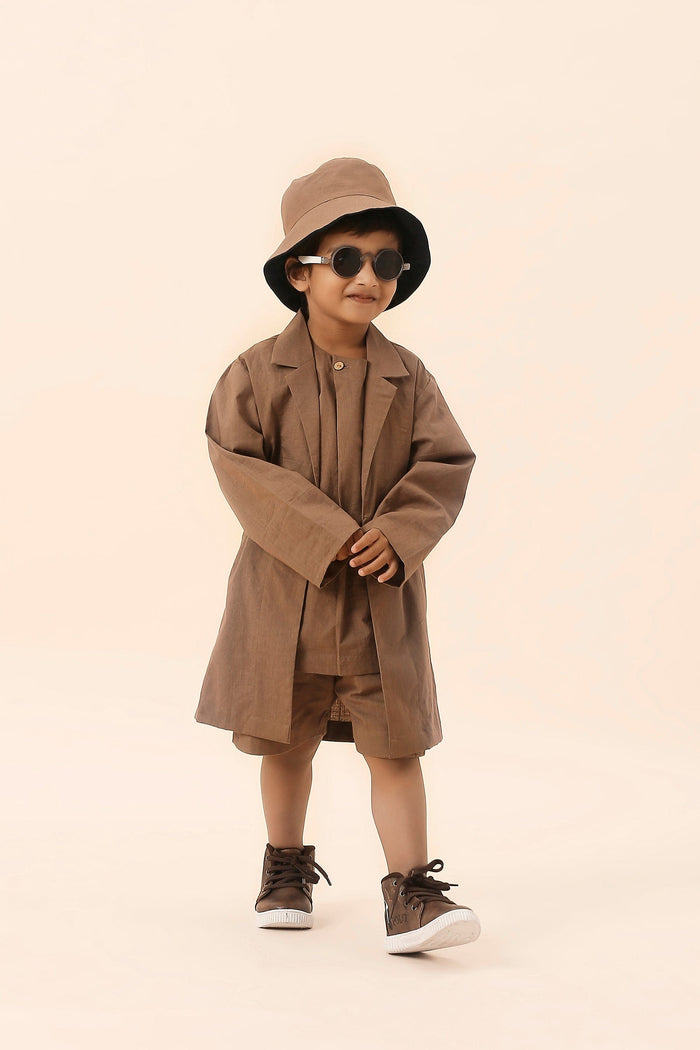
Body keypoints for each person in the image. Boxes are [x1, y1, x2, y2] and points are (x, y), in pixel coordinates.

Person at [195, 157, 480, 954]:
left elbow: (445, 462)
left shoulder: (409, 377)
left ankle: (412, 892)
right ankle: (285, 867)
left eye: (387, 262)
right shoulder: (255, 374)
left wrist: (401, 532)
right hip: (283, 599)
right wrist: (328, 534)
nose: (368, 277)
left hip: (379, 601)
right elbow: (238, 463)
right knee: (285, 739)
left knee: (396, 745)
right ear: (300, 271)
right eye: (347, 257)